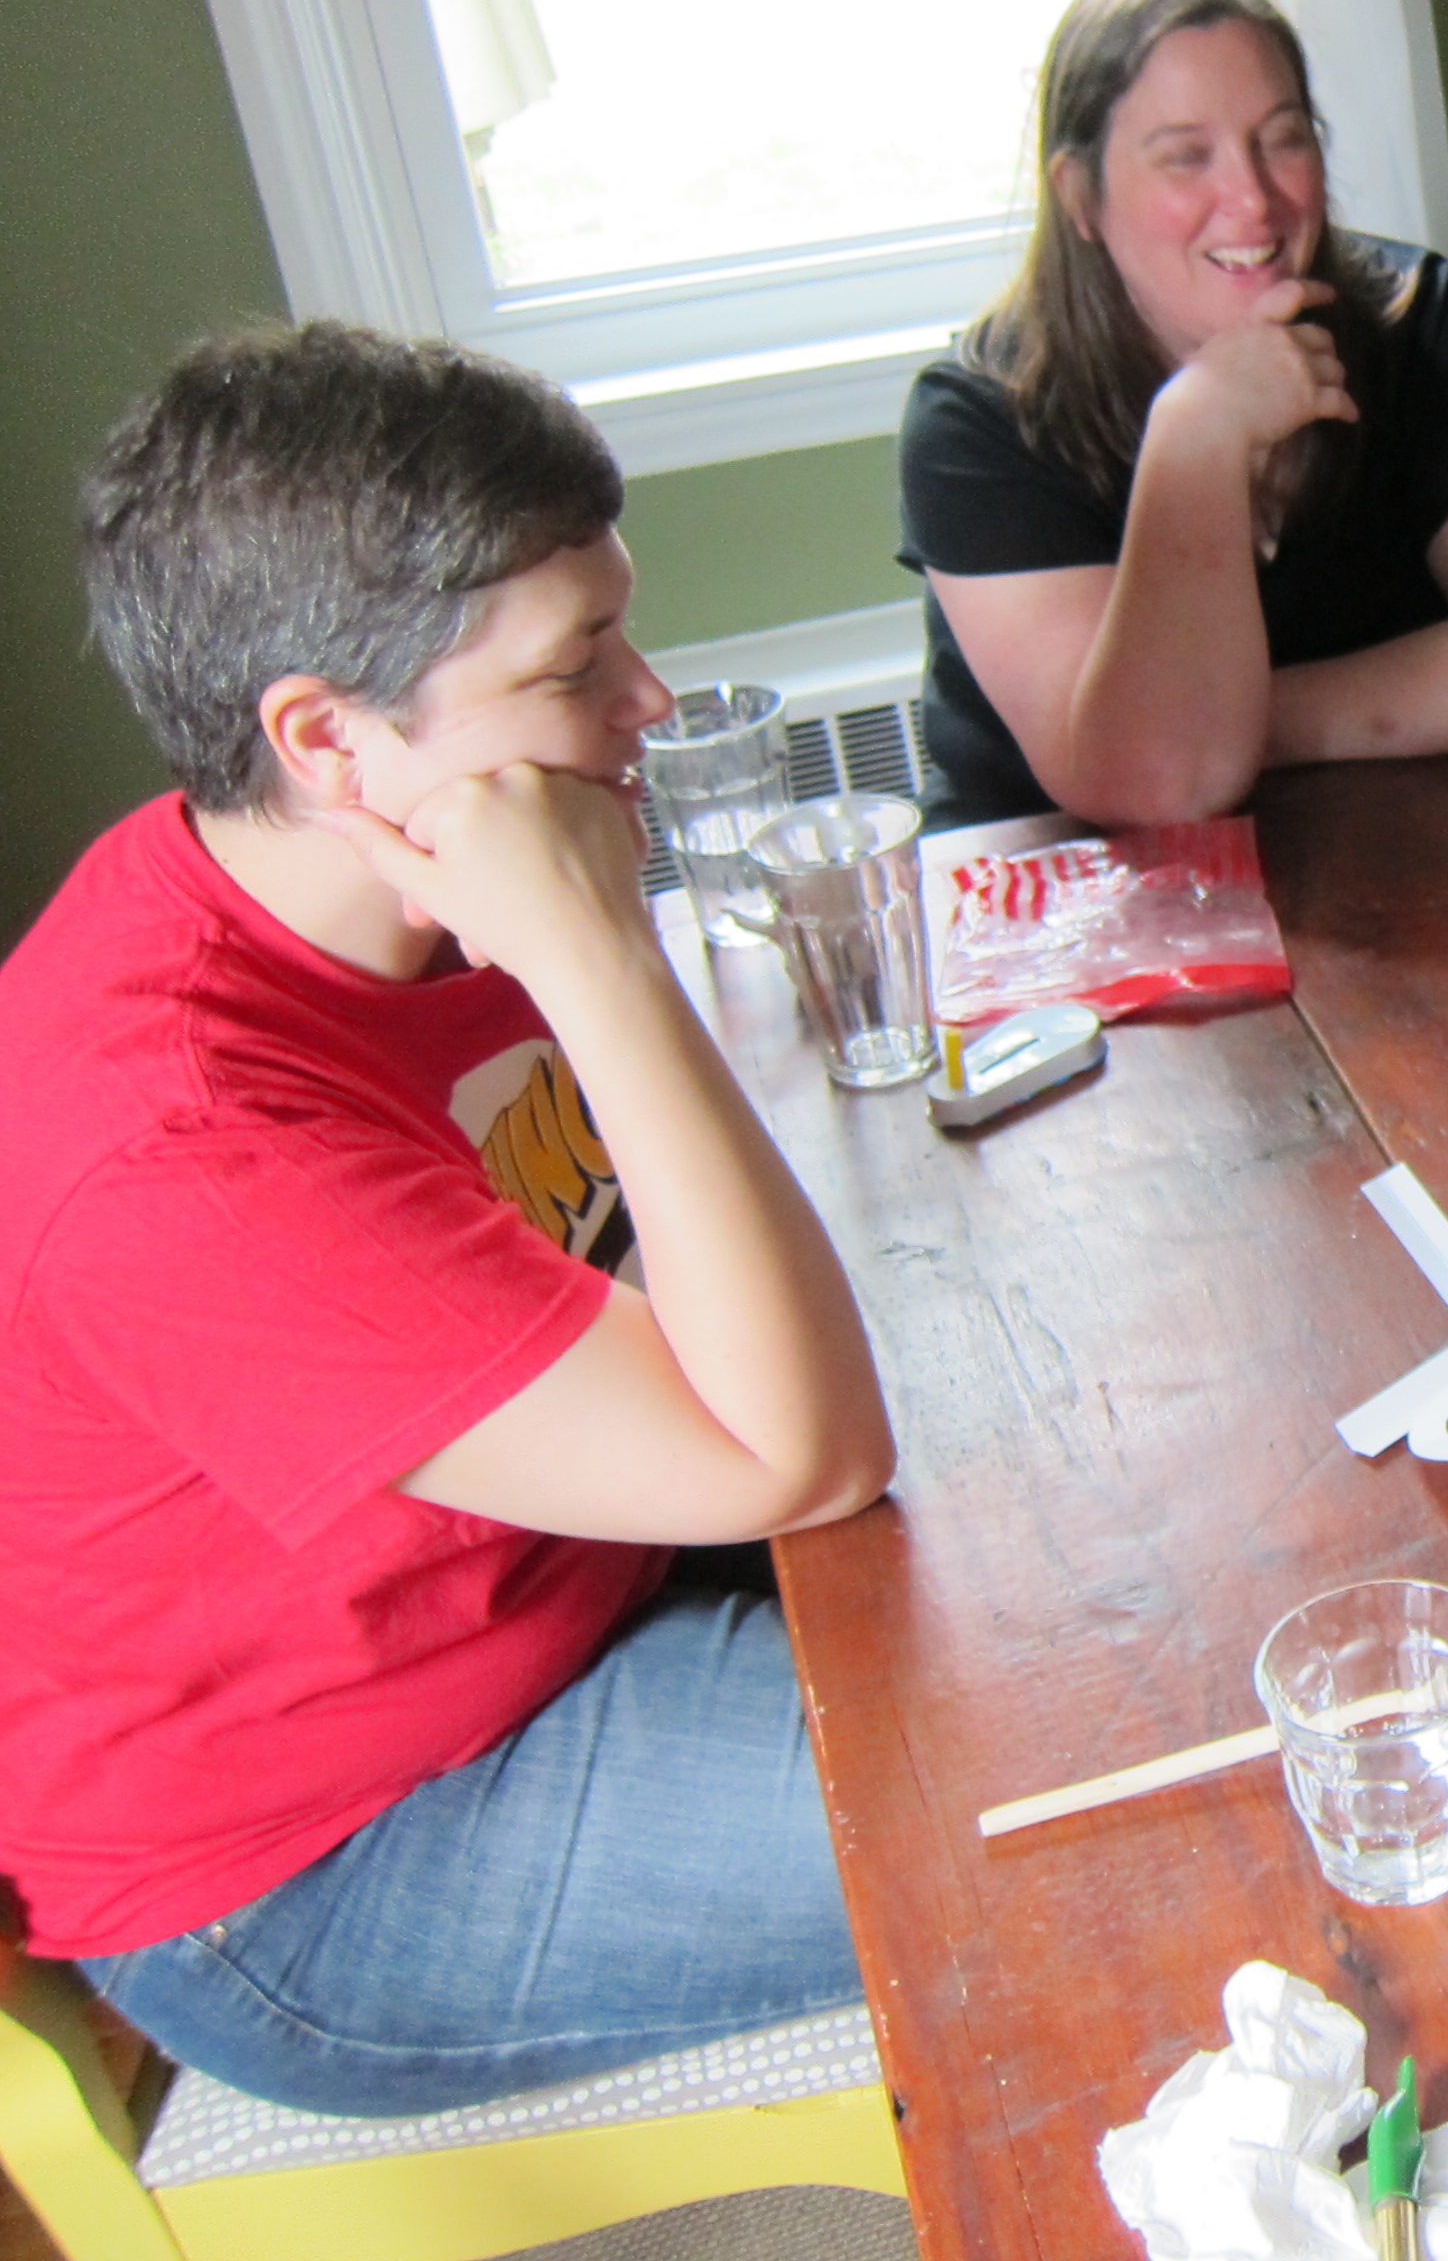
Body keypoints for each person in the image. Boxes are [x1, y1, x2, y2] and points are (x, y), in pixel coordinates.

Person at [0, 323, 896, 2113]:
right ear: (328, 739)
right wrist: (597, 951)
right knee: (1034, 1782)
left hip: (557, 1583)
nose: (650, 699)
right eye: (577, 663)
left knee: (1099, 1549)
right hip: (335, 1858)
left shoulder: (391, 884)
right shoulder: (184, 1138)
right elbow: (801, 1458)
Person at [900, 0, 1448, 829]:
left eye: (1283, 139)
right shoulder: (976, 424)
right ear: (1081, 197)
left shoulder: (1422, 322)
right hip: (1059, 886)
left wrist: (1239, 722)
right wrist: (1198, 432)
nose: (1253, 199)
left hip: (1374, 840)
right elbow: (1158, 786)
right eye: (1186, 157)